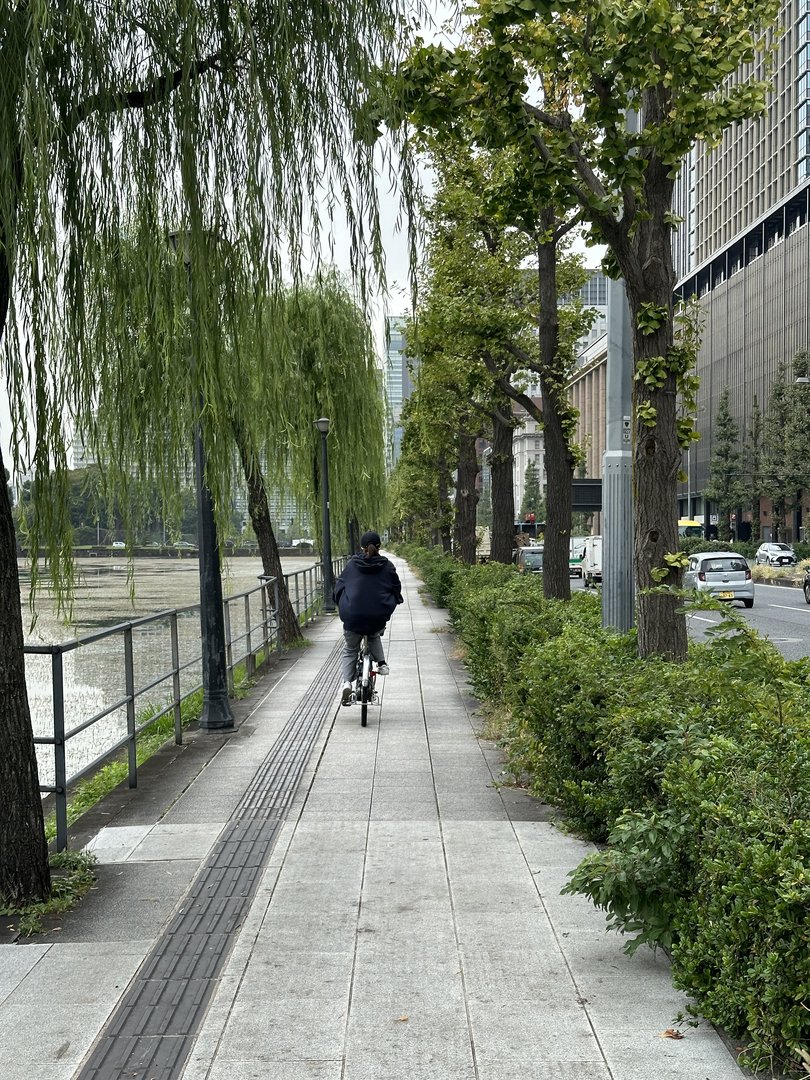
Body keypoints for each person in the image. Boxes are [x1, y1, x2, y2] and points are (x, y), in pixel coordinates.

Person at [334, 530, 402, 706]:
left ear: (362, 547)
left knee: (350, 649)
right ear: (379, 546)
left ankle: (347, 683)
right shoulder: (387, 566)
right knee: (373, 634)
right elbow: (396, 588)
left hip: (353, 616)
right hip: (377, 615)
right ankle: (382, 664)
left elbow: (339, 587)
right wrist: (393, 601)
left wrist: (341, 603)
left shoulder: (352, 565)